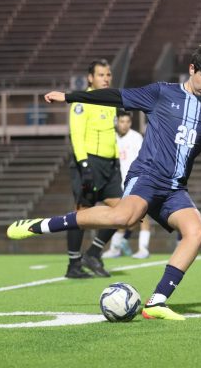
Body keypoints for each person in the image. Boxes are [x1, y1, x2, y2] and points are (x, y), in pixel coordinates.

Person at [7, 41, 201, 320]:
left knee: (196, 231)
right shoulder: (160, 93)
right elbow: (117, 97)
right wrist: (70, 96)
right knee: (124, 218)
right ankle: (43, 225)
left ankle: (157, 301)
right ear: (192, 69)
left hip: (174, 189)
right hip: (147, 176)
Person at [64, 59, 122, 279]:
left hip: (110, 165)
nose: (105, 79)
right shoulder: (81, 102)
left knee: (125, 212)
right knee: (82, 215)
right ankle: (73, 265)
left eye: (108, 75)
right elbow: (76, 135)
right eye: (101, 75)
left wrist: (116, 160)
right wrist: (85, 165)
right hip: (89, 163)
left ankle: (94, 252)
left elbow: (111, 134)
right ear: (90, 78)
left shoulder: (110, 102)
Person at [103, 110, 153, 259]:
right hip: (118, 184)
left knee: (143, 216)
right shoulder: (111, 137)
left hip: (136, 182)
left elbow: (144, 160)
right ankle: (116, 248)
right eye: (122, 121)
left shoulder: (136, 138)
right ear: (116, 121)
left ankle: (143, 249)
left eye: (128, 122)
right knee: (120, 217)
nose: (125, 125)